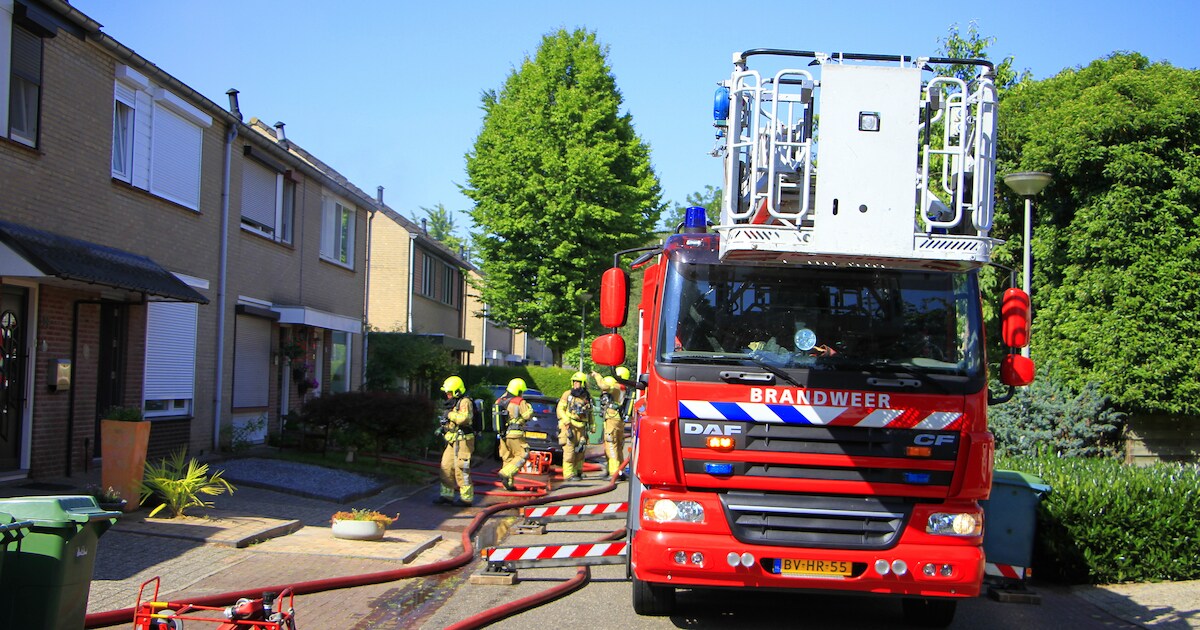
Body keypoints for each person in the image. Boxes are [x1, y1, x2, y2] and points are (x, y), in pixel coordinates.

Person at [434, 375, 475, 507]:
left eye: (449, 393)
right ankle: (447, 495)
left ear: (457, 391)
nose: (448, 395)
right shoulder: (452, 403)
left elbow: (464, 419)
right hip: (453, 440)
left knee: (461, 469)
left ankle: (466, 498)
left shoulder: (465, 402)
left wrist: (450, 414)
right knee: (446, 466)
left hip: (463, 441)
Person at [495, 377, 533, 491]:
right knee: (523, 454)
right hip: (515, 433)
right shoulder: (519, 401)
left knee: (508, 458)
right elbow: (527, 415)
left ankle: (508, 484)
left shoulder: (499, 400)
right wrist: (529, 407)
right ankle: (505, 473)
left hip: (502, 434)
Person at [557, 371, 593, 481]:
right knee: (569, 451)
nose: (576, 384)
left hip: (582, 427)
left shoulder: (587, 396)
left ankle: (578, 471)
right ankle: (568, 475)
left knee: (581, 450)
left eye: (578, 382)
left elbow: (590, 412)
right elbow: (560, 409)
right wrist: (565, 419)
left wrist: (592, 424)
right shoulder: (567, 395)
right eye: (574, 382)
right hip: (570, 426)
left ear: (583, 383)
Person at [591, 370, 627, 479]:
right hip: (617, 419)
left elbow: (604, 386)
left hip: (612, 419)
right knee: (616, 446)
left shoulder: (616, 387)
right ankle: (619, 470)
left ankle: (614, 472)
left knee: (611, 445)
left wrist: (597, 376)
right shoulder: (623, 388)